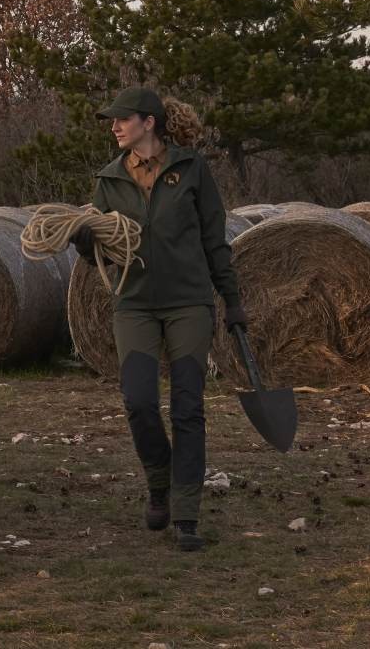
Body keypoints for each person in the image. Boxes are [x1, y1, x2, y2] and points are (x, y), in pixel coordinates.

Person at [71, 86, 245, 552]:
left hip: (189, 302)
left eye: (121, 118)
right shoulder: (108, 181)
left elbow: (215, 240)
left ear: (149, 122)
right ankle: (159, 482)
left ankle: (186, 513)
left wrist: (233, 302)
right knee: (139, 401)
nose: (114, 126)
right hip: (134, 304)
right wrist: (84, 239)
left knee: (189, 407)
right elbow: (98, 257)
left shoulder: (193, 169)